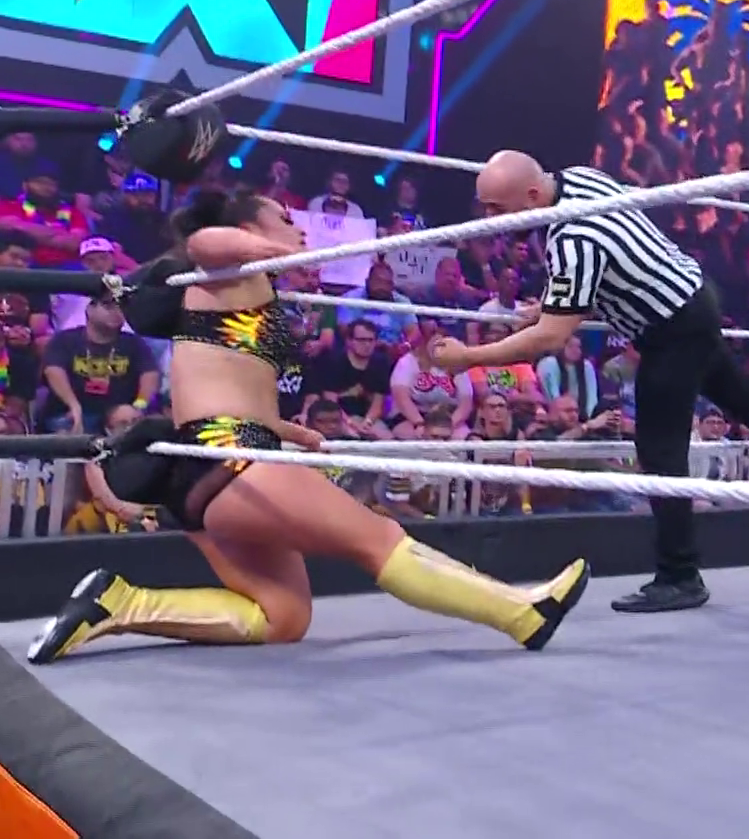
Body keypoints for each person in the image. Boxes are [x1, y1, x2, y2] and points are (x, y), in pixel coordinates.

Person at [28, 189, 589, 665]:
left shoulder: (248, 290)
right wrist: (272, 250)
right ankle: (520, 612)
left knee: (283, 615)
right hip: (228, 455)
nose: (298, 227)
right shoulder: (227, 272)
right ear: (248, 230)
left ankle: (121, 604)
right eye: (283, 218)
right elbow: (205, 242)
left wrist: (290, 431)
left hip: (211, 462)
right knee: (378, 541)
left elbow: (233, 381)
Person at [430, 153, 749, 614]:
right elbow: (615, 257)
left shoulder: (571, 239)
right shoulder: (580, 177)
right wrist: (554, 303)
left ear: (530, 196)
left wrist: (468, 358)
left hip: (670, 327)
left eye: (497, 209)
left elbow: (550, 337)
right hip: (691, 295)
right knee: (737, 394)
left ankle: (680, 575)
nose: (492, 221)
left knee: (660, 450)